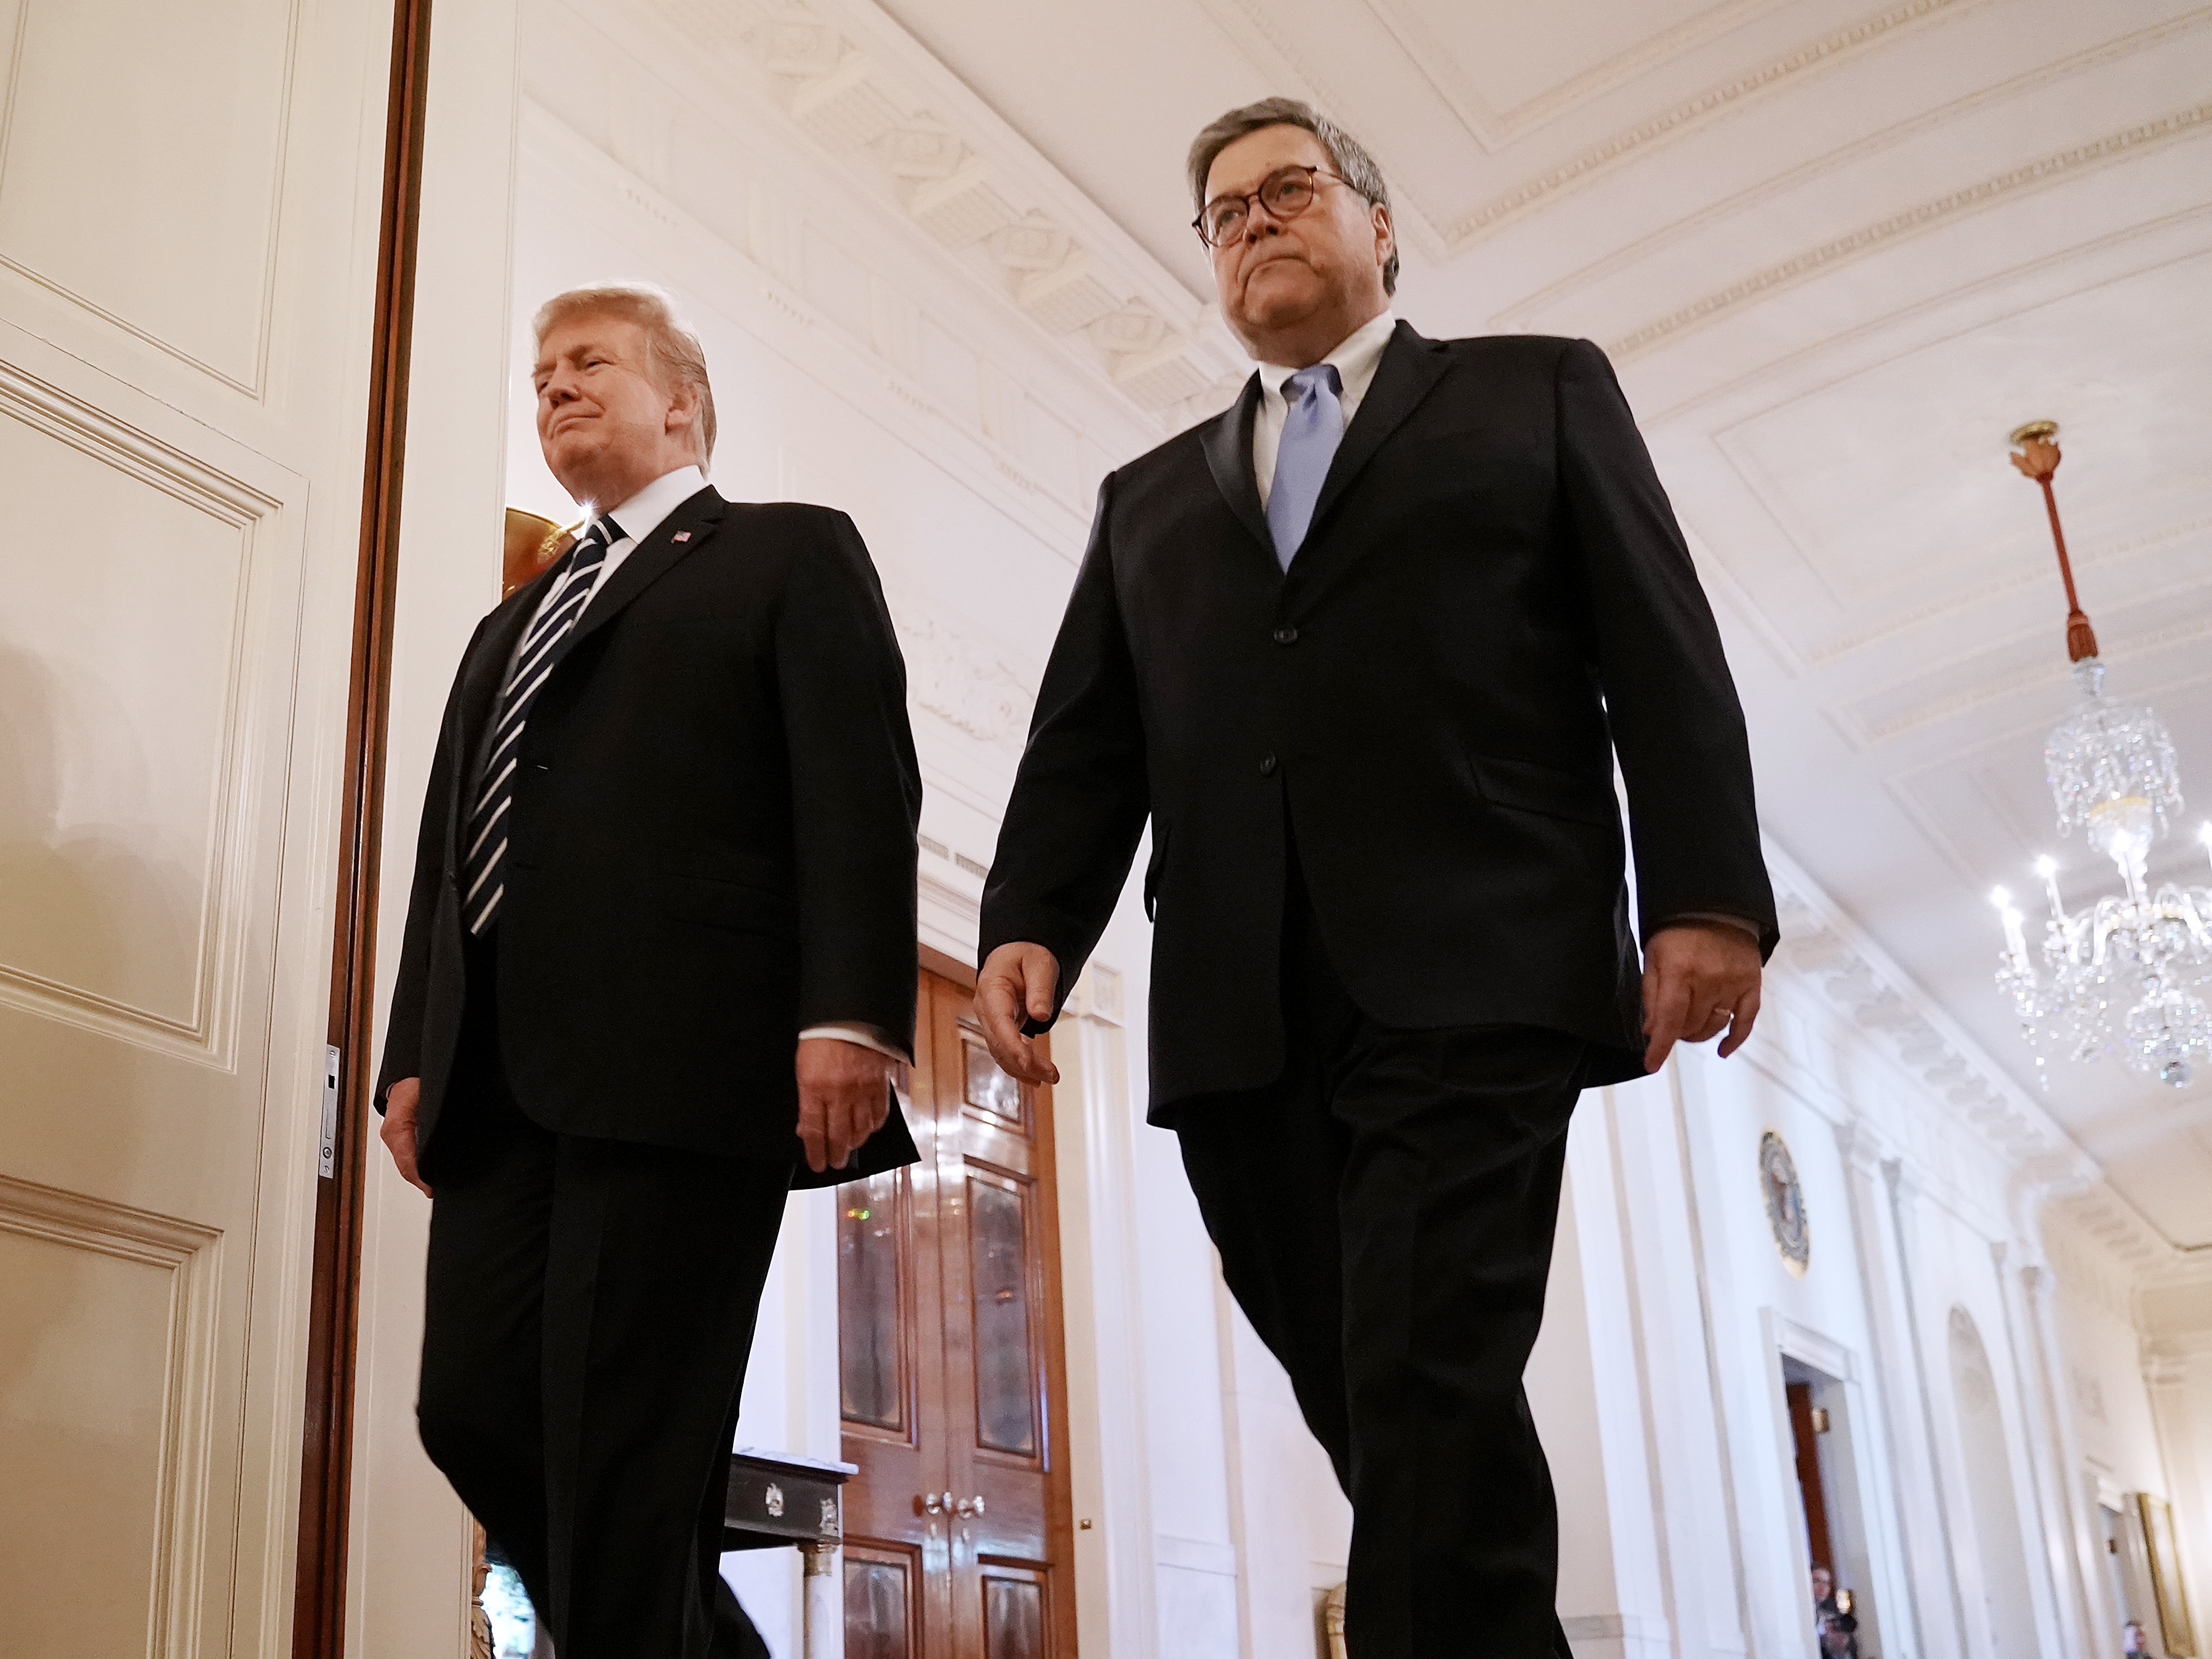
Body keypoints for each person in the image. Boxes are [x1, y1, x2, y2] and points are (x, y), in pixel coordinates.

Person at [974, 98, 1775, 1658]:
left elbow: (1662, 651)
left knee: (1418, 1374)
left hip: (1478, 968)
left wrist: (1707, 896)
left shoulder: (1537, 393)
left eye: (1290, 190)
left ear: (1382, 225)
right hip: (1238, 1006)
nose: (1256, 221)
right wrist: (1028, 919)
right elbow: (1091, 742)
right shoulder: (1147, 498)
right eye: (1224, 212)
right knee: (1390, 1395)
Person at [376, 283, 922, 1657]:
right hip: (498, 1088)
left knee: (623, 1451)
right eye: (542, 372)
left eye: (590, 364)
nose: (555, 388)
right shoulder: (509, 624)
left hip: (686, 1072)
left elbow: (859, 791)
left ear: (681, 399)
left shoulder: (787, 554)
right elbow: (452, 850)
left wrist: (850, 1011)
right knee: (475, 1412)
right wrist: (410, 1050)